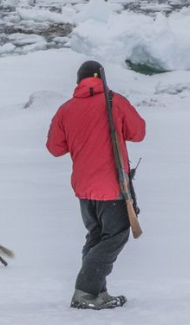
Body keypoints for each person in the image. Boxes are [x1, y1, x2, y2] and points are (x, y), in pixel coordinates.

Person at [46, 60, 145, 310]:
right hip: (112, 185)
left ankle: (98, 293)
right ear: (102, 79)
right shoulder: (114, 102)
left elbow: (54, 148)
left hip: (83, 187)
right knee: (116, 235)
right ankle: (85, 292)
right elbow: (138, 132)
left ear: (79, 81)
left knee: (97, 235)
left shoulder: (66, 109)